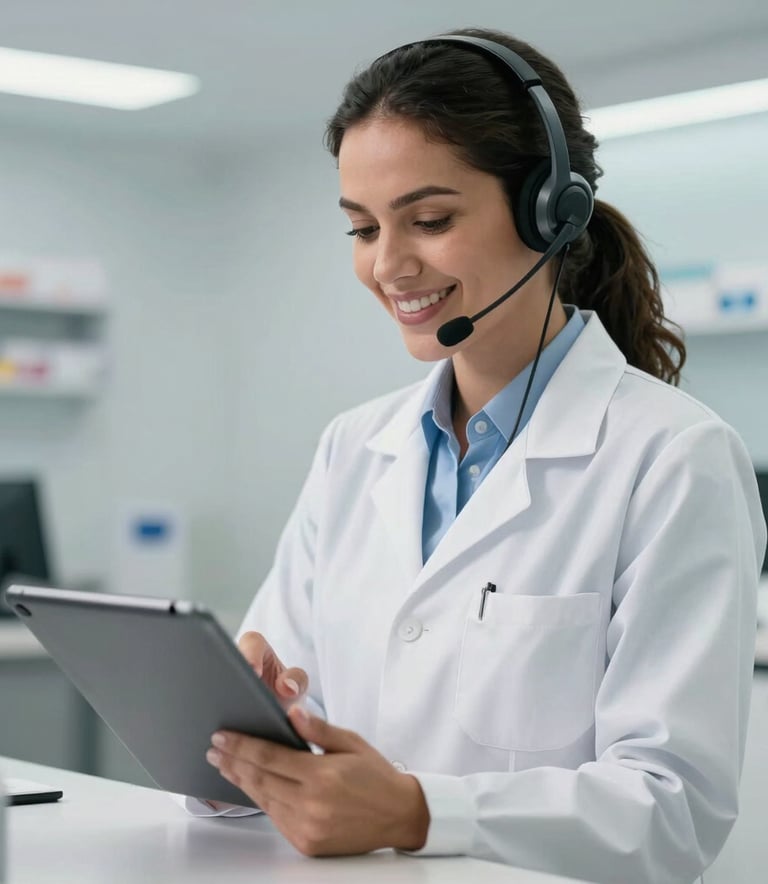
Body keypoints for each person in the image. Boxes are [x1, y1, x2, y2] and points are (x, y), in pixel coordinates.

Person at [191, 27, 767, 884]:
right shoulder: (355, 447)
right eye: (361, 228)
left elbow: (672, 811)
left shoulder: (673, 457)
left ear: (548, 211)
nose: (389, 265)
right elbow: (292, 713)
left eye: (429, 220)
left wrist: (423, 814)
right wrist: (250, 732)